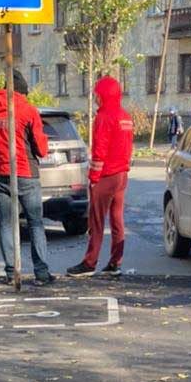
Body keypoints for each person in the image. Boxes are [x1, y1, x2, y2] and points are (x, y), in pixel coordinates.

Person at [0, 70, 55, 285]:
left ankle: (12, 273)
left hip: (1, 173)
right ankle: (41, 273)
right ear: (22, 91)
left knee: (6, 223)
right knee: (36, 223)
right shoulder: (28, 111)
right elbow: (41, 148)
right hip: (26, 173)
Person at [67, 76, 134, 277]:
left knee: (96, 221)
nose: (95, 97)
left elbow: (100, 150)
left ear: (104, 94)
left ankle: (89, 263)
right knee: (117, 220)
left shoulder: (104, 117)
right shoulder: (125, 116)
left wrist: (94, 177)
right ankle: (115, 262)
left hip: (106, 176)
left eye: (97, 93)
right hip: (122, 175)